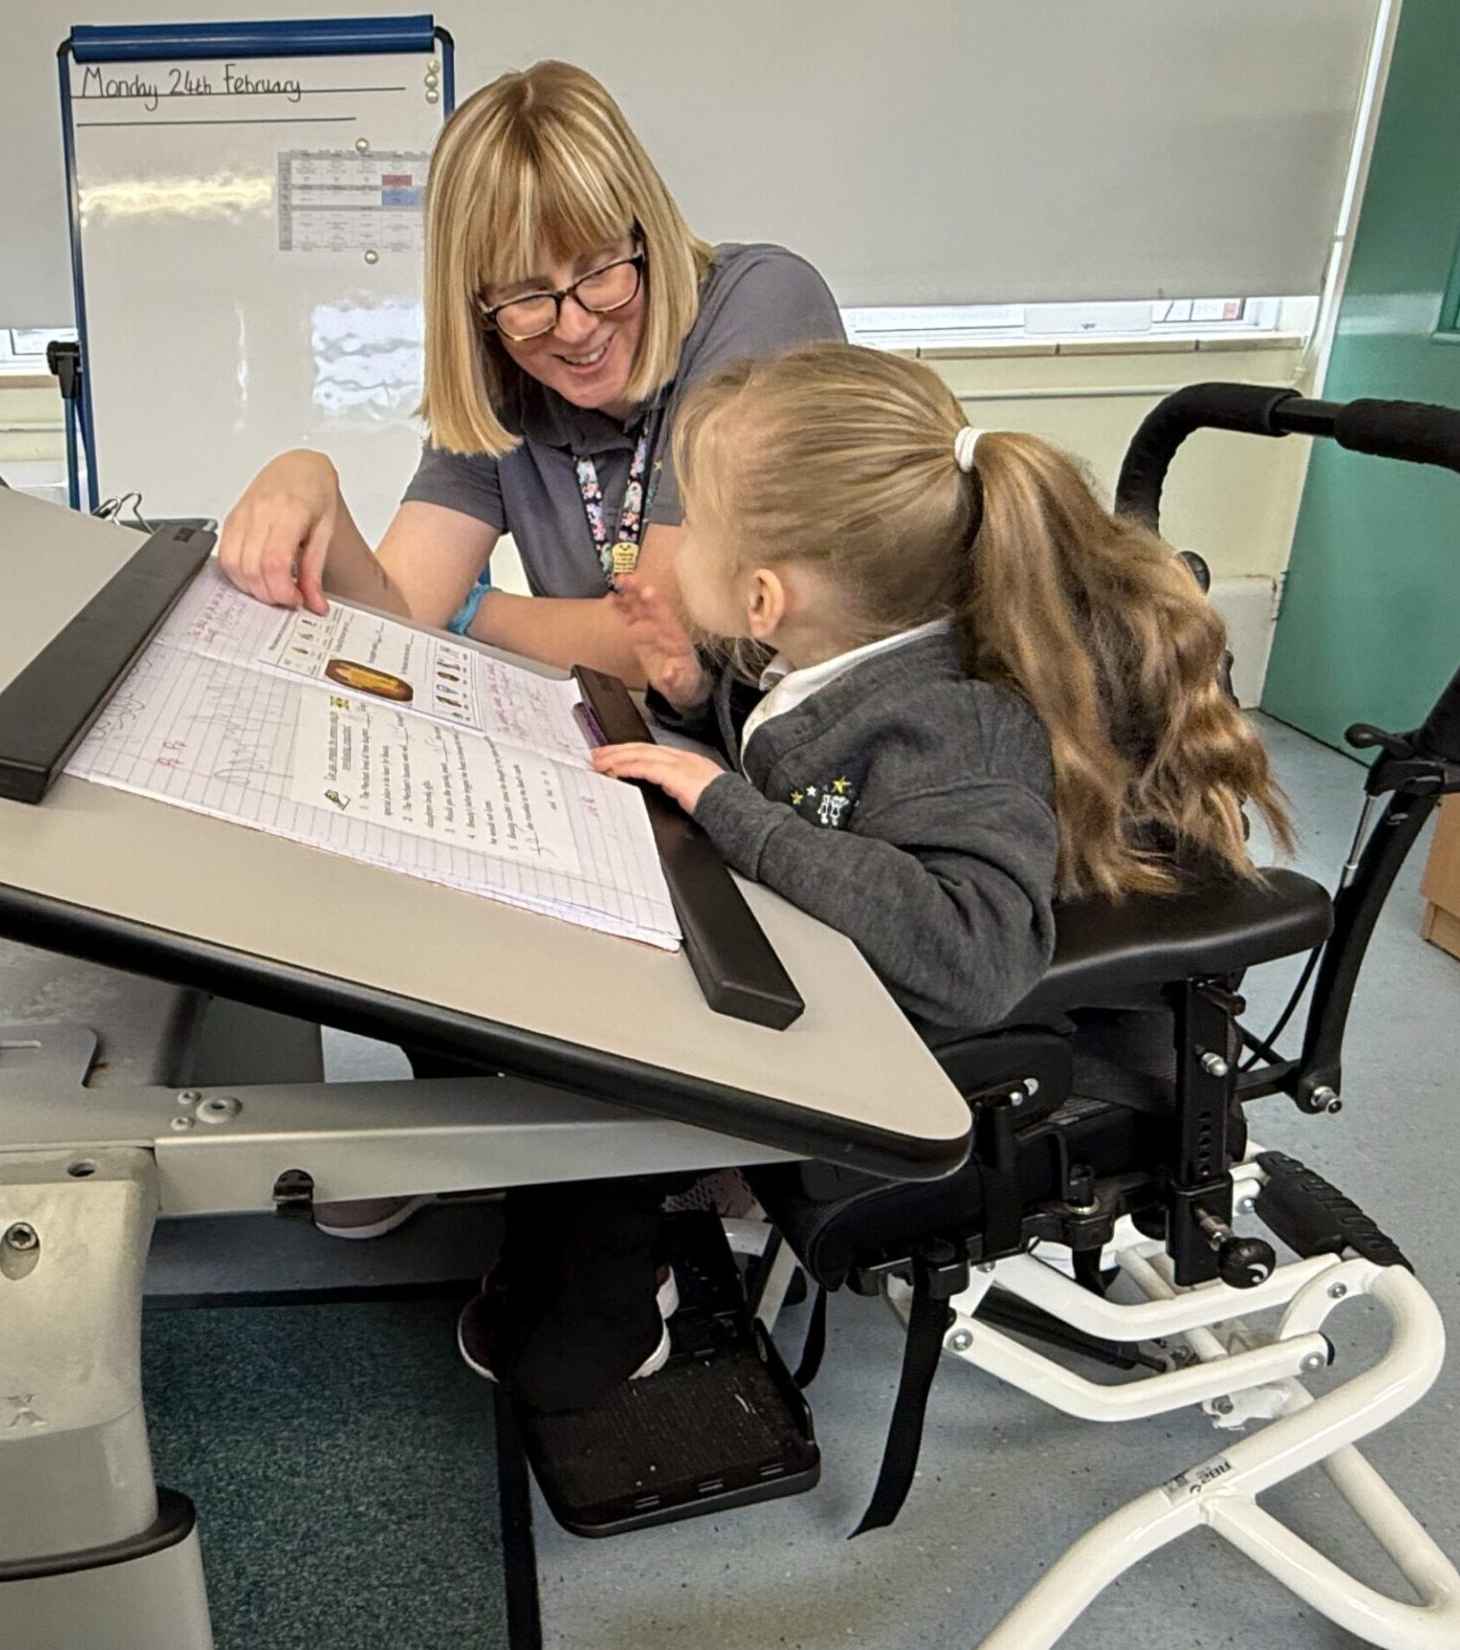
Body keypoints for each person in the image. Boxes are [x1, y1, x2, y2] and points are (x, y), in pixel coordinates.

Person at [469, 341, 1291, 1409]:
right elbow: (814, 767)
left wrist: (727, 811)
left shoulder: (955, 727)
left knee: (621, 1049)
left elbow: (971, 958)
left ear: (762, 594)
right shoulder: (842, 654)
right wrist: (683, 691)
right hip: (852, 977)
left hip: (942, 1036)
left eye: (688, 528)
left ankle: (597, 1328)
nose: (660, 553)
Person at [216, 58, 844, 1241]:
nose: (576, 325)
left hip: (797, 765)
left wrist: (475, 620)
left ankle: (644, 1169)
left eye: (601, 270)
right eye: (525, 297)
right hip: (659, 749)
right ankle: (453, 1124)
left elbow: (666, 623)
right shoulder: (504, 392)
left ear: (645, 232)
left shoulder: (758, 306)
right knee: (401, 782)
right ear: (477, 309)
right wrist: (308, 481)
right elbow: (393, 614)